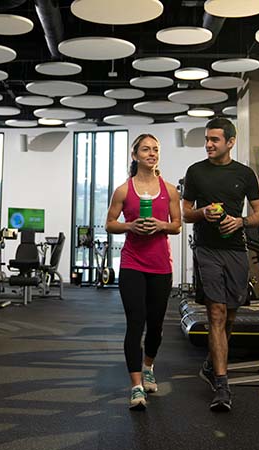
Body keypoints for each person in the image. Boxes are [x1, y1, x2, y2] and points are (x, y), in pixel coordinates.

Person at [181, 117, 259, 412]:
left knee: (230, 316)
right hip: (207, 249)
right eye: (207, 139)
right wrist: (203, 212)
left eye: (215, 140)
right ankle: (222, 384)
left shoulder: (244, 174)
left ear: (230, 142)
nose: (208, 144)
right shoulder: (195, 172)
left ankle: (209, 364)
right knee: (215, 313)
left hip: (236, 250)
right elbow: (185, 213)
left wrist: (240, 221)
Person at [106, 133, 181, 411]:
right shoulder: (124, 190)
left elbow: (176, 225)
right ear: (135, 155)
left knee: (156, 325)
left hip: (161, 266)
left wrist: (160, 225)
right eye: (146, 149)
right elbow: (110, 223)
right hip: (132, 264)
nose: (152, 154)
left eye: (156, 149)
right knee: (135, 323)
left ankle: (148, 365)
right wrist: (131, 226)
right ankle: (136, 386)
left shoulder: (170, 190)